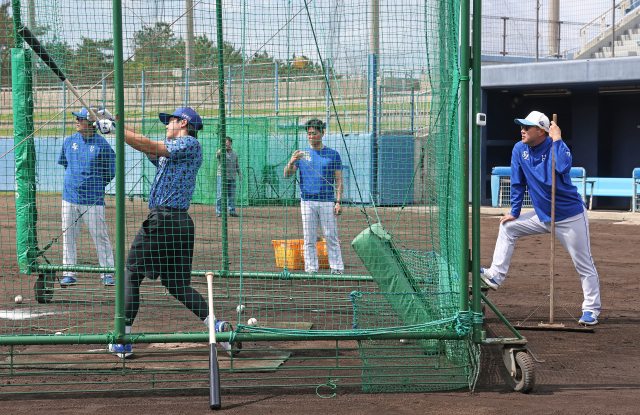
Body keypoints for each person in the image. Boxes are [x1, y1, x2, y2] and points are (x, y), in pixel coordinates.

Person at [94, 107, 241, 358]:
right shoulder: (174, 151)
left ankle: (123, 338)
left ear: (183, 123)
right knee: (176, 284)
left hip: (164, 219)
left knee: (130, 272)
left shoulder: (188, 143)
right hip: (179, 223)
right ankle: (216, 327)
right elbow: (145, 146)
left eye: (169, 121)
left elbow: (151, 144)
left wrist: (116, 130)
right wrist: (116, 123)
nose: (166, 125)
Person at [480, 111, 601, 326]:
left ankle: (591, 310)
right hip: (542, 215)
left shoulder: (555, 146)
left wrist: (558, 139)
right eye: (522, 126)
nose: (522, 130)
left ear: (541, 131)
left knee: (584, 264)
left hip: (569, 215)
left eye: (527, 127)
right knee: (508, 227)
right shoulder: (519, 149)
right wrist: (515, 212)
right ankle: (495, 276)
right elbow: (517, 183)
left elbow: (564, 167)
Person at [57, 107, 116, 287]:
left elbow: (110, 173)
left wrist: (94, 185)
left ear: (92, 124)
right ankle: (69, 273)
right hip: (69, 197)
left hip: (93, 199)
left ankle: (107, 273)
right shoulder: (69, 141)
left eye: (80, 119)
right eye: (77, 118)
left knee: (100, 236)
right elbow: (66, 164)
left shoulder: (103, 145)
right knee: (68, 237)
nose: (77, 121)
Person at [283, 119, 344, 274]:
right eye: (309, 133)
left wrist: (338, 201)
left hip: (327, 201)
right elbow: (286, 175)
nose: (311, 136)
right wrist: (291, 162)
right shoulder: (301, 154)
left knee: (331, 236)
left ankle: (337, 268)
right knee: (309, 238)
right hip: (307, 201)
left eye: (314, 133)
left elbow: (339, 180)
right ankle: (311, 268)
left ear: (322, 133)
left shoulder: (333, 155)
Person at [216, 137, 242, 217]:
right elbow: (217, 156)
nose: (227, 145)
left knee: (232, 196)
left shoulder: (234, 153)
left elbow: (236, 163)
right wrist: (221, 149)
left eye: (229, 143)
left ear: (231, 144)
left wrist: (239, 173)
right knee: (220, 195)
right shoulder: (222, 152)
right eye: (225, 143)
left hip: (232, 177)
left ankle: (232, 211)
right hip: (222, 177)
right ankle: (219, 212)